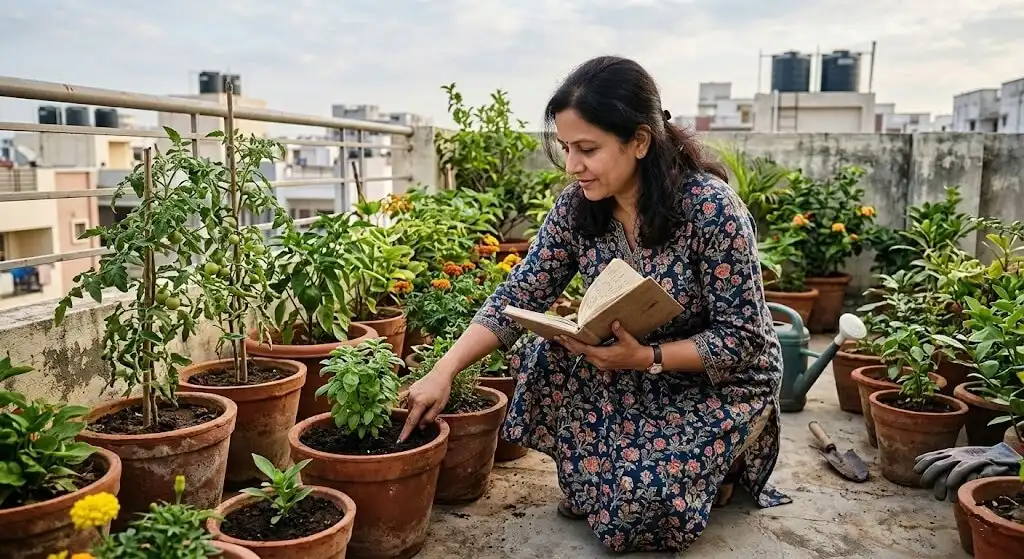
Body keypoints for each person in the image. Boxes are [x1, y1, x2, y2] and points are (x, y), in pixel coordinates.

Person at [400, 55, 791, 553]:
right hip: (629, 364)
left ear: (640, 141)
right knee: (546, 354)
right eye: (567, 148)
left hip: (717, 378)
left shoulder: (710, 209)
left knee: (637, 509)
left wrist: (646, 357)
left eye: (587, 149)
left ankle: (725, 465)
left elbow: (744, 338)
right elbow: (519, 293)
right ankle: (629, 469)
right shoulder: (577, 207)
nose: (572, 166)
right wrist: (443, 371)